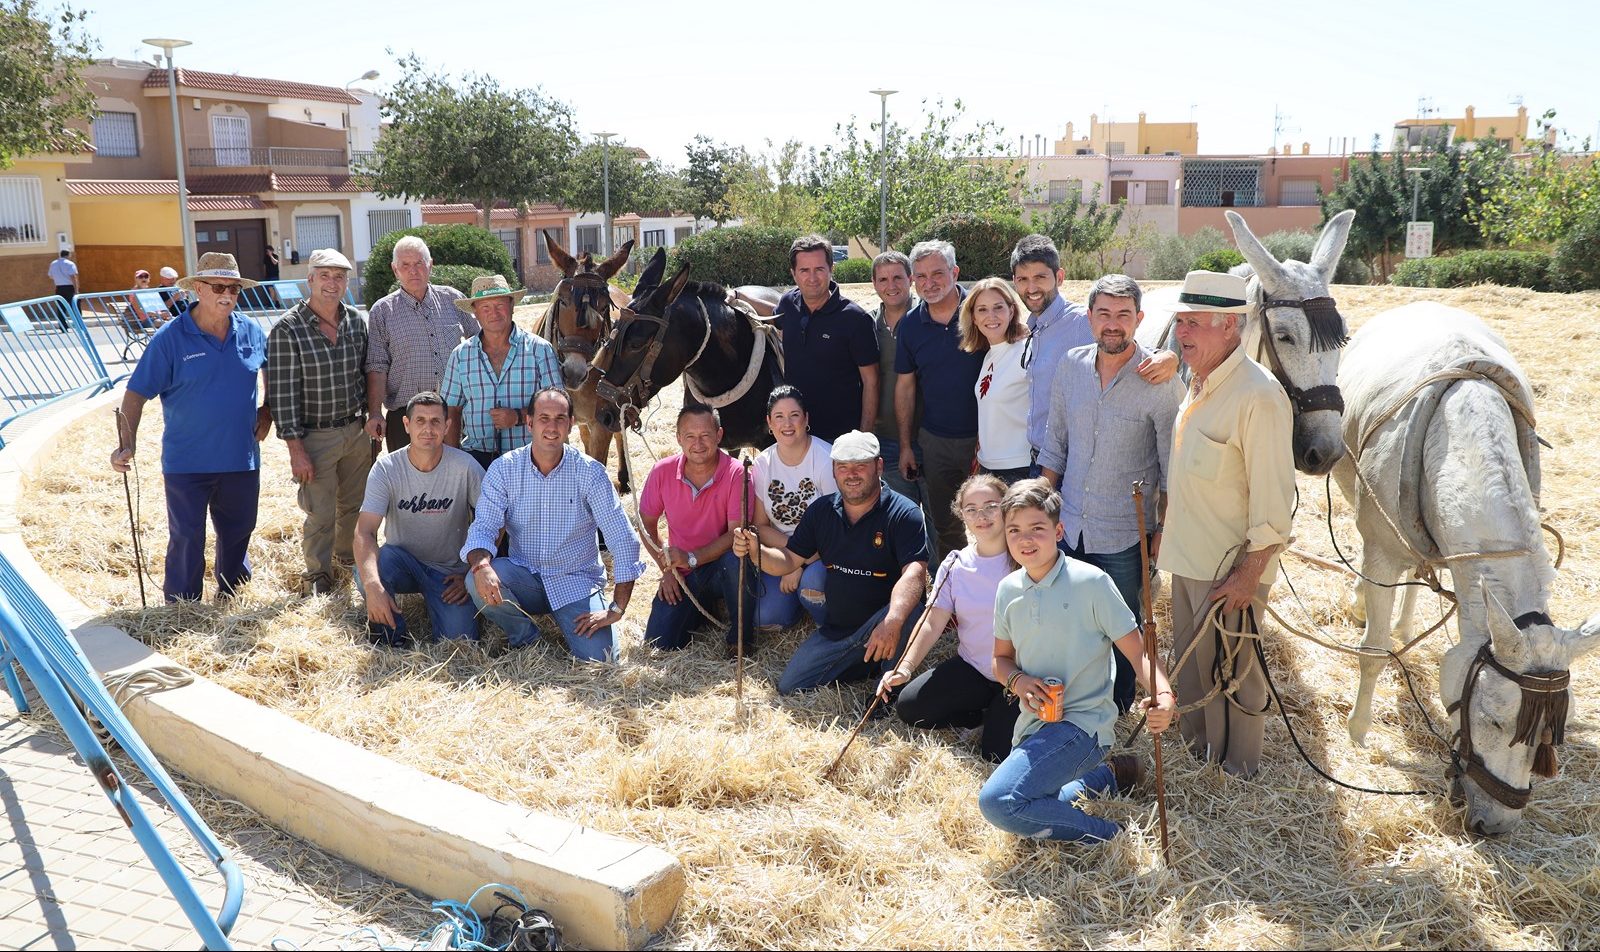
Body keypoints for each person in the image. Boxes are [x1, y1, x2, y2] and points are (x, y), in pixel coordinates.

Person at [978, 479, 1178, 844]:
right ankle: (1108, 777)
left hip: (1084, 726)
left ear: (1059, 530)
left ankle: (1110, 835)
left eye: (1037, 529)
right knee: (1034, 804)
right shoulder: (1008, 590)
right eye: (1015, 531)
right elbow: (1000, 660)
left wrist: (1164, 695)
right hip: (1034, 723)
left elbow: (1139, 653)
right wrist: (1019, 682)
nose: (1026, 540)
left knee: (999, 802)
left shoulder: (1092, 583)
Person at [1157, 270, 1295, 778]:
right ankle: (1203, 755)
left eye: (1193, 323)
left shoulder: (1258, 396)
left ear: (1230, 327)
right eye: (1180, 321)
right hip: (1189, 555)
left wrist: (1251, 570)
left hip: (1230, 569)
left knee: (1238, 671)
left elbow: (1274, 499)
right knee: (1195, 667)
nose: (1182, 333)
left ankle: (1239, 767)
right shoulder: (1198, 382)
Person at [1037, 274, 1184, 712]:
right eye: (1104, 314)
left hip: (1123, 530)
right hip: (1071, 522)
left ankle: (1116, 705)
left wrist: (1162, 530)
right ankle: (1075, 695)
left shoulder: (1159, 382)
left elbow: (1169, 466)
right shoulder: (1071, 366)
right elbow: (1055, 444)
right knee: (1068, 616)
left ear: (1139, 319)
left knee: (1123, 624)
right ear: (1089, 318)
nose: (1113, 324)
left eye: (1123, 314)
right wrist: (1042, 509)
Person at [110, 251, 272, 602]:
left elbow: (269, 369)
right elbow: (136, 394)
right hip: (187, 463)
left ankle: (233, 595)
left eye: (234, 288)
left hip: (240, 458)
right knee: (187, 536)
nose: (226, 294)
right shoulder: (171, 338)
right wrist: (127, 443)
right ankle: (182, 606)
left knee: (239, 531)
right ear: (198, 288)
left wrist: (267, 409)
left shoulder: (251, 331)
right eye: (217, 286)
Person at [731, 431, 929, 696]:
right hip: (840, 630)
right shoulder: (821, 511)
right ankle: (866, 660)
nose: (852, 474)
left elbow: (914, 574)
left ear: (879, 466)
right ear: (834, 470)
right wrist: (757, 551)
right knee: (790, 685)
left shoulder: (904, 513)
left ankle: (889, 682)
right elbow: (789, 560)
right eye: (843, 467)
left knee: (909, 609)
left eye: (861, 465)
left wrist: (892, 621)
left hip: (886, 621)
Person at [463, 387, 645, 660]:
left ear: (572, 424)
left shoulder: (590, 472)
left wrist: (616, 609)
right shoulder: (504, 469)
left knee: (601, 659)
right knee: (475, 579)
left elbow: (623, 538)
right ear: (529, 422)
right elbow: (484, 527)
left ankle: (570, 620)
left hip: (575, 580)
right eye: (544, 418)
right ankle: (526, 638)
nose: (552, 426)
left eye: (560, 418)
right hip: (524, 576)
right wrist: (480, 565)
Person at [875, 474, 1020, 762]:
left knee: (995, 755)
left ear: (1007, 508)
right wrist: (904, 667)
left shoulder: (1026, 558)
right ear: (961, 515)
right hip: (975, 668)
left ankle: (1002, 715)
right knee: (911, 707)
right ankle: (980, 714)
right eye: (971, 509)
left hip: (1018, 677)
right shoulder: (955, 563)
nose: (982, 516)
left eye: (991, 505)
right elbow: (932, 620)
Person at [1012, 235, 1176, 475]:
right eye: (1023, 279)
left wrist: (1169, 356)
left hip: (1068, 468)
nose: (1031, 288)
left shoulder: (1080, 321)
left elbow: (1124, 344)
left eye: (1040, 277)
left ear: (1059, 277)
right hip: (1037, 460)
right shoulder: (1035, 327)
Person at [266, 248, 371, 596]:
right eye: (324, 275)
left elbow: (366, 375)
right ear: (309, 279)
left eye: (339, 276)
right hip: (315, 435)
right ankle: (317, 576)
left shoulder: (356, 322)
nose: (332, 283)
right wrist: (296, 449)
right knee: (320, 512)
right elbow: (281, 395)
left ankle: (345, 562)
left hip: (356, 431)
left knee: (354, 506)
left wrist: (371, 421)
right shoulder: (287, 329)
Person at [353, 391, 484, 646]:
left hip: (449, 573)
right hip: (402, 562)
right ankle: (391, 639)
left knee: (461, 641)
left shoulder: (465, 466)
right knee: (371, 570)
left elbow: (493, 520)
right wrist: (372, 586)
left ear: (447, 426)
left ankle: (439, 606)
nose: (428, 429)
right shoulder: (386, 468)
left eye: (436, 421)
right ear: (406, 425)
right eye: (420, 421)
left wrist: (470, 573)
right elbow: (365, 531)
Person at [639, 405, 756, 657]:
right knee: (658, 644)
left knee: (738, 556)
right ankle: (701, 611)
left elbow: (736, 532)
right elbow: (646, 524)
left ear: (719, 435)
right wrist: (667, 569)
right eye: (690, 436)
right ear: (678, 438)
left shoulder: (738, 474)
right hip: (682, 573)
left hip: (720, 566)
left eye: (705, 435)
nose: (698, 444)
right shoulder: (662, 471)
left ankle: (740, 638)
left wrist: (692, 557)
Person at [894, 240, 976, 560]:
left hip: (988, 440)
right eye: (921, 276)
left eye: (938, 273)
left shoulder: (981, 310)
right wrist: (905, 446)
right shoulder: (911, 325)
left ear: (955, 272)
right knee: (947, 526)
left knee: (996, 521)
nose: (930, 283)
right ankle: (954, 597)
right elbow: (905, 388)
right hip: (937, 442)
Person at [439, 274, 561, 471]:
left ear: (512, 306)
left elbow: (559, 409)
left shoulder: (541, 350)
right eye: (485, 307)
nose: (493, 313)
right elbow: (450, 411)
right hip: (476, 460)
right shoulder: (461, 356)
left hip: (533, 459)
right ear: (475, 312)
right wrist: (454, 464)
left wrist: (519, 417)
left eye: (500, 305)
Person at [365, 236, 475, 452]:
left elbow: (481, 344)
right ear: (395, 269)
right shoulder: (382, 311)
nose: (413, 271)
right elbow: (377, 366)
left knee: (456, 481)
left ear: (430, 265)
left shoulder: (454, 300)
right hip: (404, 418)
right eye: (405, 265)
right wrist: (376, 413)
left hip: (454, 414)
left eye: (419, 263)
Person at [773, 234, 879, 443]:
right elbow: (771, 317)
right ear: (793, 274)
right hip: (797, 435)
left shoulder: (855, 319)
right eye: (804, 270)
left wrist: (863, 438)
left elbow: (872, 381)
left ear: (831, 269)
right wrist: (737, 297)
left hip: (840, 439)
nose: (812, 278)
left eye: (819, 269)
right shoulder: (787, 304)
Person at [747, 386, 835, 629]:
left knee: (813, 584)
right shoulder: (763, 463)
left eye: (794, 415)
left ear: (806, 419)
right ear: (769, 423)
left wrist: (800, 563)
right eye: (779, 417)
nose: (787, 423)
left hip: (822, 551)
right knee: (765, 618)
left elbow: (834, 529)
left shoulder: (826, 459)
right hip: (783, 549)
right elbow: (760, 526)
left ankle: (829, 628)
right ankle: (795, 606)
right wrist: (790, 559)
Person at [959, 277, 1033, 484]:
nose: (990, 316)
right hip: (987, 466)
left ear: (1011, 310)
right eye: (982, 309)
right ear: (973, 317)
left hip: (1019, 469)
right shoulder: (989, 355)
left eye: (998, 307)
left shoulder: (1028, 351)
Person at [867, 250, 922, 503]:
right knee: (901, 521)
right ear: (874, 284)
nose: (891, 286)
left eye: (898, 277)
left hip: (929, 438)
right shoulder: (866, 326)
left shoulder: (929, 319)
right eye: (883, 280)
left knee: (939, 525)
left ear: (910, 279)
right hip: (885, 439)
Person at [47, 249, 78, 330]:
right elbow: (73, 277)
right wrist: (76, 289)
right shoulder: (70, 263)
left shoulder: (53, 263)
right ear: (68, 255)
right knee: (75, 306)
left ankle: (63, 326)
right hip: (69, 287)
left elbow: (50, 276)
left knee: (61, 308)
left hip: (59, 288)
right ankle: (78, 324)